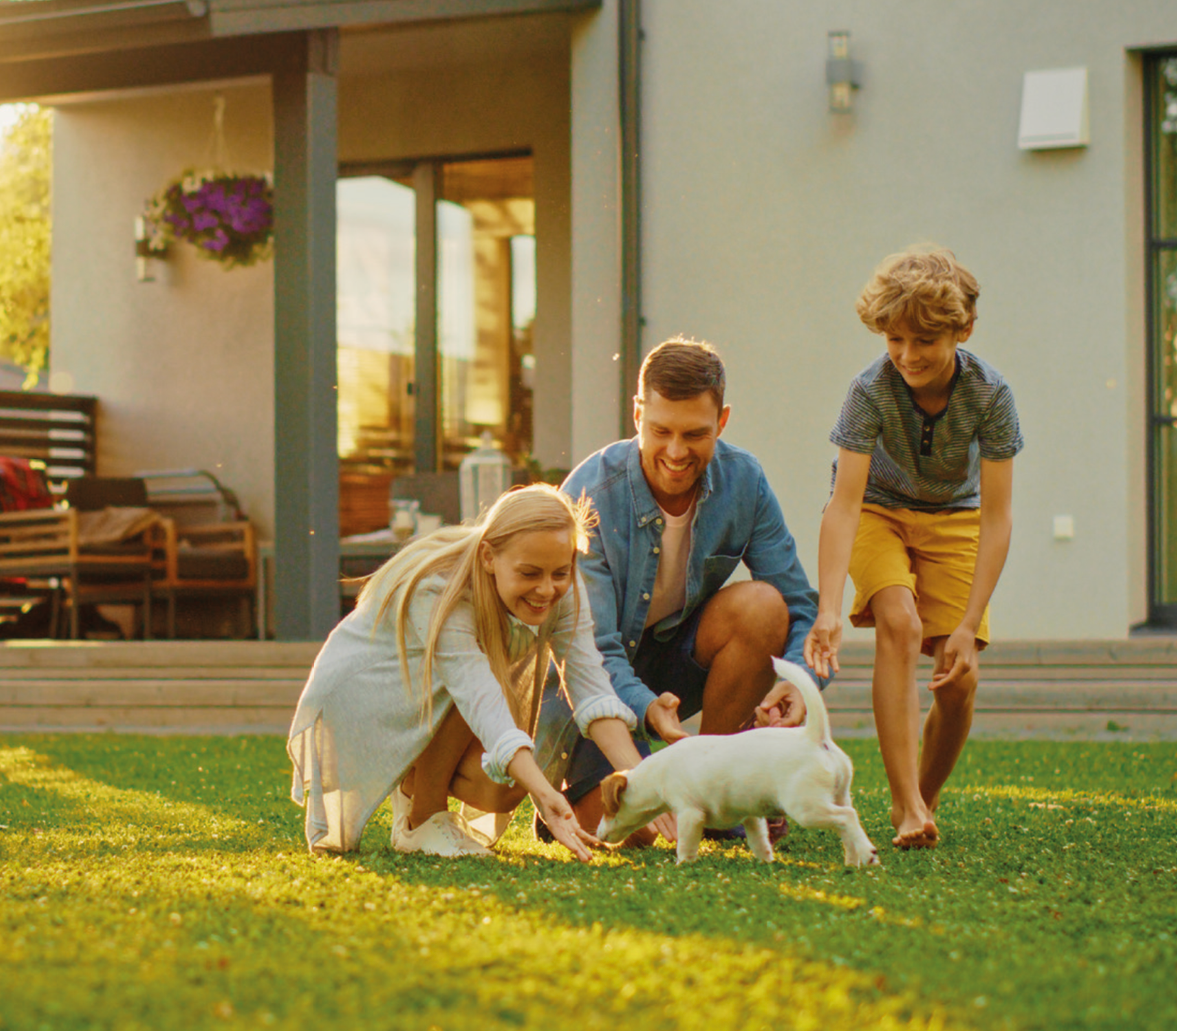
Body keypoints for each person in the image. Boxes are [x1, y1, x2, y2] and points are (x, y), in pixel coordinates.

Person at [549, 337, 821, 839]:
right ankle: (599, 792)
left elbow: (801, 605)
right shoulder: (588, 494)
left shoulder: (745, 482)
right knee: (637, 832)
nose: (676, 452)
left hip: (677, 662)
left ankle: (718, 790)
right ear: (637, 416)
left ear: (722, 421)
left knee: (763, 606)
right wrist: (646, 707)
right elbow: (593, 650)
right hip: (593, 682)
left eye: (695, 434)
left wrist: (801, 682)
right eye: (661, 431)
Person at [288, 484, 647, 860]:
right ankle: (420, 819)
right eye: (529, 573)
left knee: (502, 789)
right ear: (489, 557)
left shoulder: (562, 585)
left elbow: (591, 689)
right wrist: (546, 794)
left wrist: (647, 787)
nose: (547, 589)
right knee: (485, 702)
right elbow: (477, 695)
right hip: (365, 695)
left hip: (435, 693)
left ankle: (413, 786)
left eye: (560, 571)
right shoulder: (440, 589)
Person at [804, 245, 1021, 850]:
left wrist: (970, 621)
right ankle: (903, 804)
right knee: (898, 621)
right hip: (878, 511)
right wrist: (828, 608)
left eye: (923, 341)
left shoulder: (991, 395)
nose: (906, 355)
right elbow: (844, 503)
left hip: (956, 518)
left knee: (958, 680)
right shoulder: (870, 391)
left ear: (963, 329)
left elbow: (998, 516)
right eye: (894, 339)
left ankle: (923, 801)